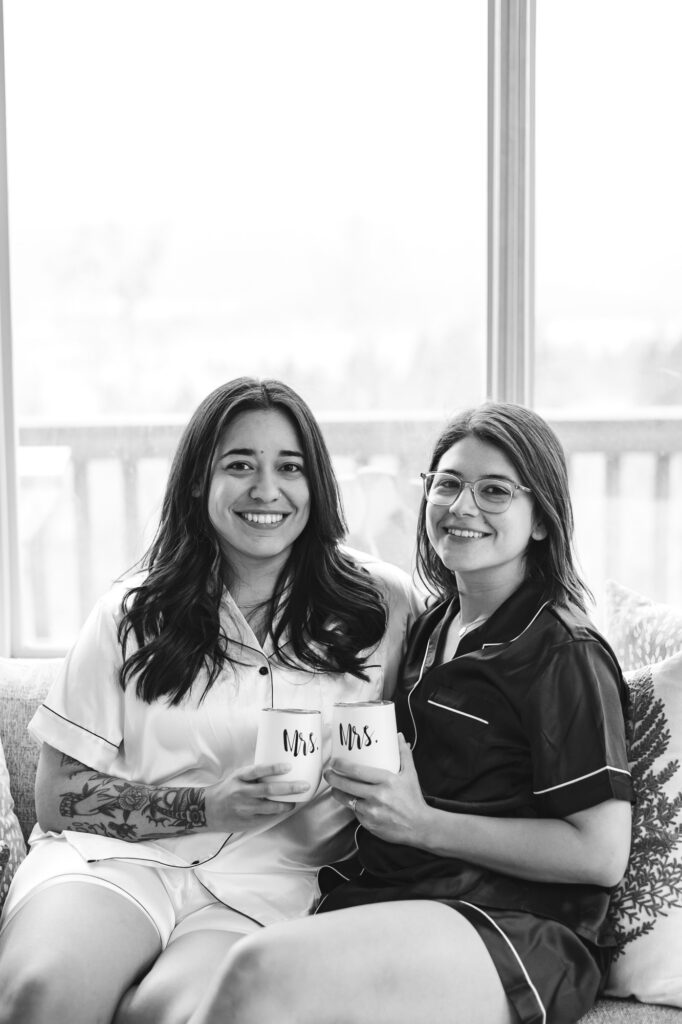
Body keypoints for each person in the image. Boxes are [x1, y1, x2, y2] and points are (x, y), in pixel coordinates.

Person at [185, 401, 634, 1024]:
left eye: (495, 490)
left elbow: (601, 855)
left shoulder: (564, 653)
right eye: (446, 484)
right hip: (403, 896)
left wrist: (423, 825)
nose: (462, 506)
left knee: (254, 967)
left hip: (515, 927)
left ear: (541, 521)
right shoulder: (428, 628)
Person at [0, 377, 422, 1024]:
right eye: (239, 466)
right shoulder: (132, 611)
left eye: (290, 467)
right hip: (115, 861)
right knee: (44, 992)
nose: (266, 489)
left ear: (318, 485)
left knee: (177, 1013)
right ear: (199, 480)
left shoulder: (382, 606)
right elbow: (58, 795)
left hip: (268, 886)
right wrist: (207, 805)